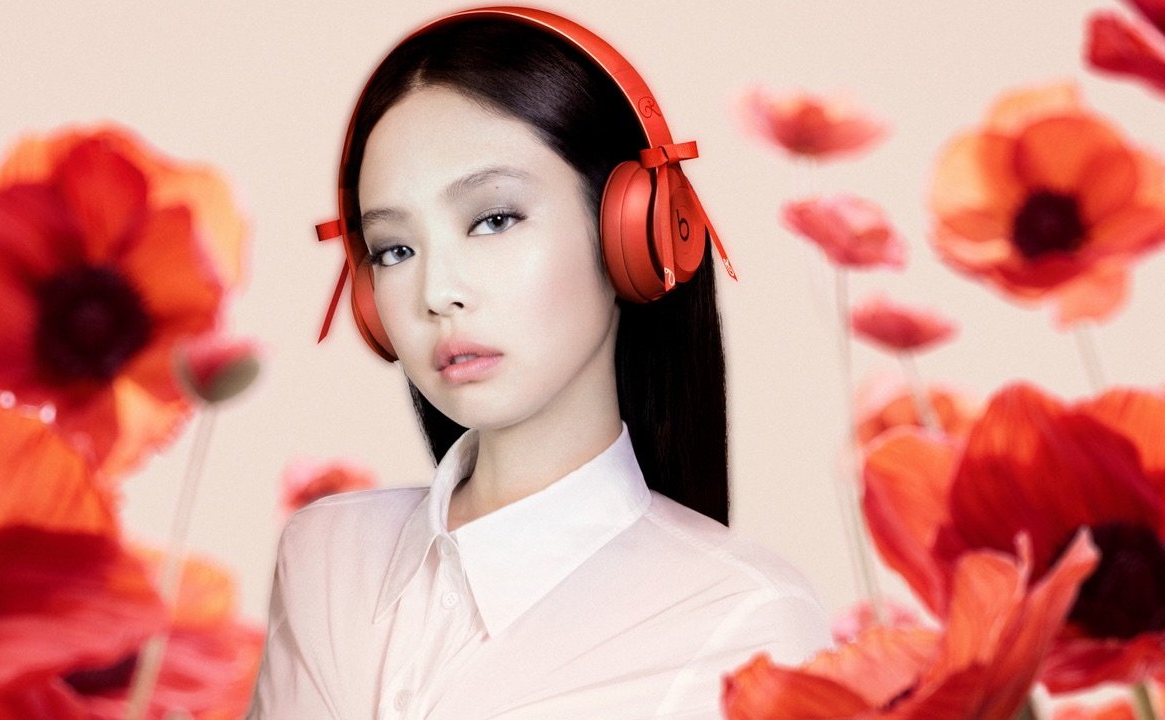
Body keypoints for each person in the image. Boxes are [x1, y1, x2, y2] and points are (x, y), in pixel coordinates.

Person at [249, 7, 831, 718]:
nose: (437, 294)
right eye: (394, 249)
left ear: (633, 233)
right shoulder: (324, 556)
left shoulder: (748, 623)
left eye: (494, 219)